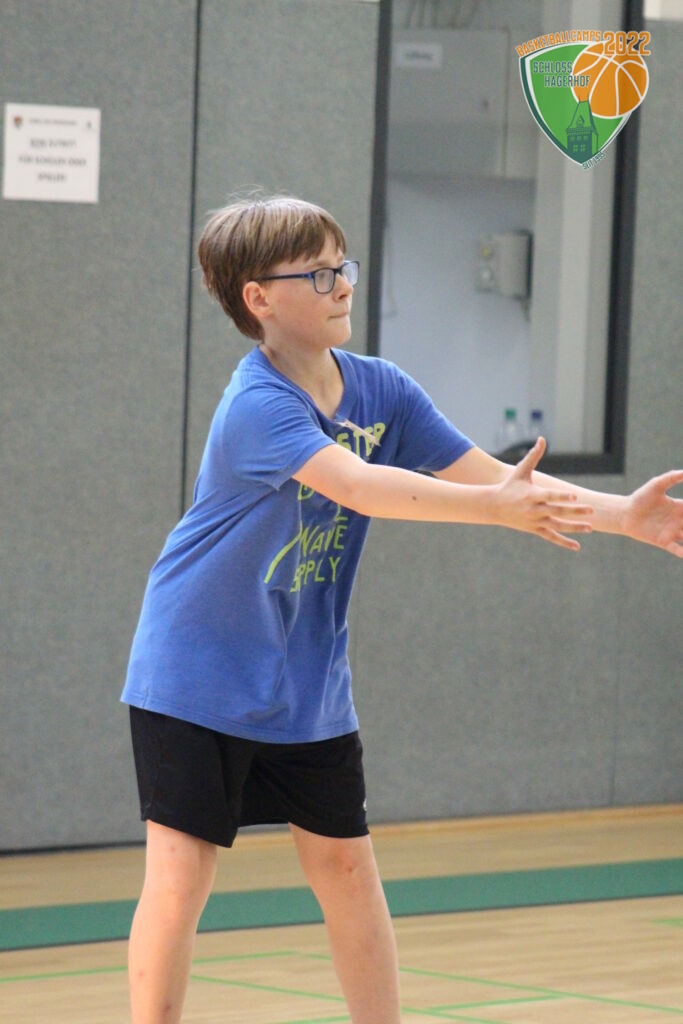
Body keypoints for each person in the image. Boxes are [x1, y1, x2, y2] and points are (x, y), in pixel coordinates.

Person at [121, 195, 683, 1024]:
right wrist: (494, 511)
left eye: (342, 265)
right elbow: (357, 485)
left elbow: (496, 480)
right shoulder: (257, 404)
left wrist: (621, 517)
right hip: (196, 669)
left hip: (306, 681)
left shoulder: (381, 390)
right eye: (317, 274)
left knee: (348, 871)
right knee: (181, 876)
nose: (342, 284)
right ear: (259, 298)